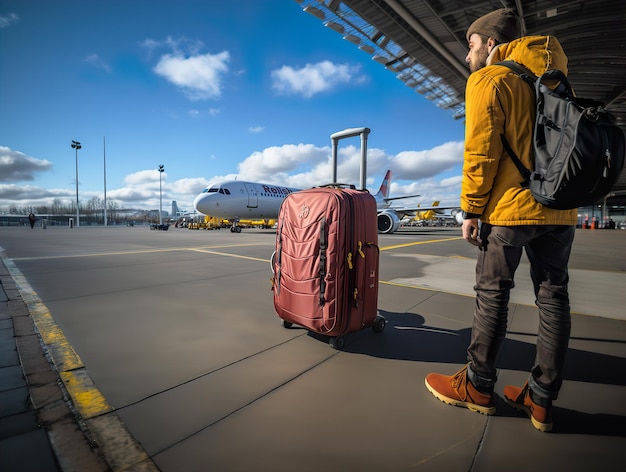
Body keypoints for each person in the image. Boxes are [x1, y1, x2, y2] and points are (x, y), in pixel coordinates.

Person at [424, 8, 578, 432]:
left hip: (510, 208)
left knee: (492, 294)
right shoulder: (556, 78)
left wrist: (471, 210)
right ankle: (541, 399)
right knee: (554, 299)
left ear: (491, 43)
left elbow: (481, 153)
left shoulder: (489, 80)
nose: (467, 57)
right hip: (560, 209)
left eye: (471, 46)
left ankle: (477, 385)